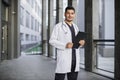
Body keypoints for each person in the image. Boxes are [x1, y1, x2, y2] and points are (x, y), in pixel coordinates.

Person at [49, 6, 85, 80]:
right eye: (68, 13)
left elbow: (76, 43)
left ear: (74, 15)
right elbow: (52, 40)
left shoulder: (76, 27)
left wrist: (81, 43)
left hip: (74, 59)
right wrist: (65, 45)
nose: (70, 15)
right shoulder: (58, 26)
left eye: (72, 13)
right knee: (59, 78)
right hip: (64, 59)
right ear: (64, 14)